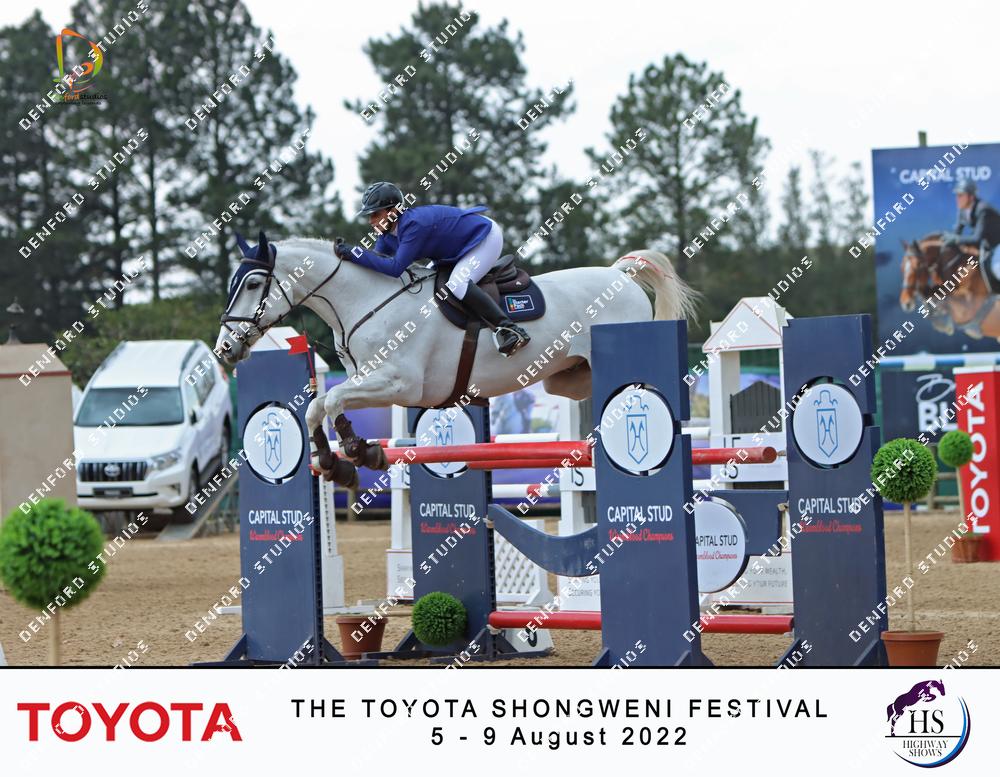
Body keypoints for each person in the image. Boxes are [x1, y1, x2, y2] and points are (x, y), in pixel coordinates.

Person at [335, 181, 530, 356]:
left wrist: (354, 252)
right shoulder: (386, 234)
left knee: (457, 284)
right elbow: (377, 262)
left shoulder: (413, 225)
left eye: (375, 214)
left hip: (483, 238)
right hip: (454, 251)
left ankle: (509, 329)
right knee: (423, 282)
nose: (371, 221)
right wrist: (352, 259)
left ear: (392, 211)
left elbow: (395, 269)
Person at [941, 180, 1000, 288]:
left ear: (971, 197)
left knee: (997, 268)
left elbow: (976, 239)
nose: (957, 199)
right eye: (957, 195)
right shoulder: (962, 210)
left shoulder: (983, 210)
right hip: (988, 244)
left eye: (961, 195)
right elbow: (957, 232)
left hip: (998, 244)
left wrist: (955, 239)